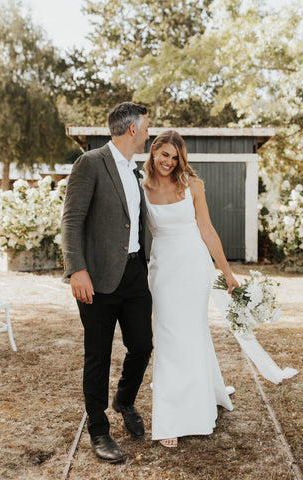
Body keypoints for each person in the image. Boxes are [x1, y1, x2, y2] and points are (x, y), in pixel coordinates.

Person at [61, 102, 153, 463]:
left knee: (142, 346)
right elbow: (71, 221)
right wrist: (77, 269)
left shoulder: (133, 170)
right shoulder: (91, 162)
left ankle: (124, 401)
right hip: (96, 278)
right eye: (146, 127)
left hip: (134, 275)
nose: (148, 133)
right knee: (98, 355)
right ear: (132, 129)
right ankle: (99, 430)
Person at [143, 130, 239, 448]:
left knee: (193, 334)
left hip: (195, 267)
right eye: (164, 154)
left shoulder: (193, 185)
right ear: (153, 151)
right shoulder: (139, 187)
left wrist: (227, 272)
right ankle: (170, 416)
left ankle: (195, 404)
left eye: (175, 156)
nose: (169, 162)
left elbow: (207, 230)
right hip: (163, 270)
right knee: (169, 339)